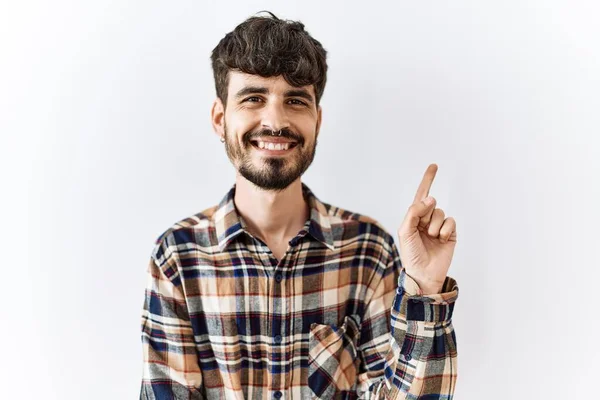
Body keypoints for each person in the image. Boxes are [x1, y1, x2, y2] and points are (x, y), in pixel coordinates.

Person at [139, 11, 459, 399]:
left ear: (317, 121)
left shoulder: (368, 251)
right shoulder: (178, 256)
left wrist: (424, 288)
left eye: (295, 101)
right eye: (254, 98)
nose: (275, 120)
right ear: (220, 118)